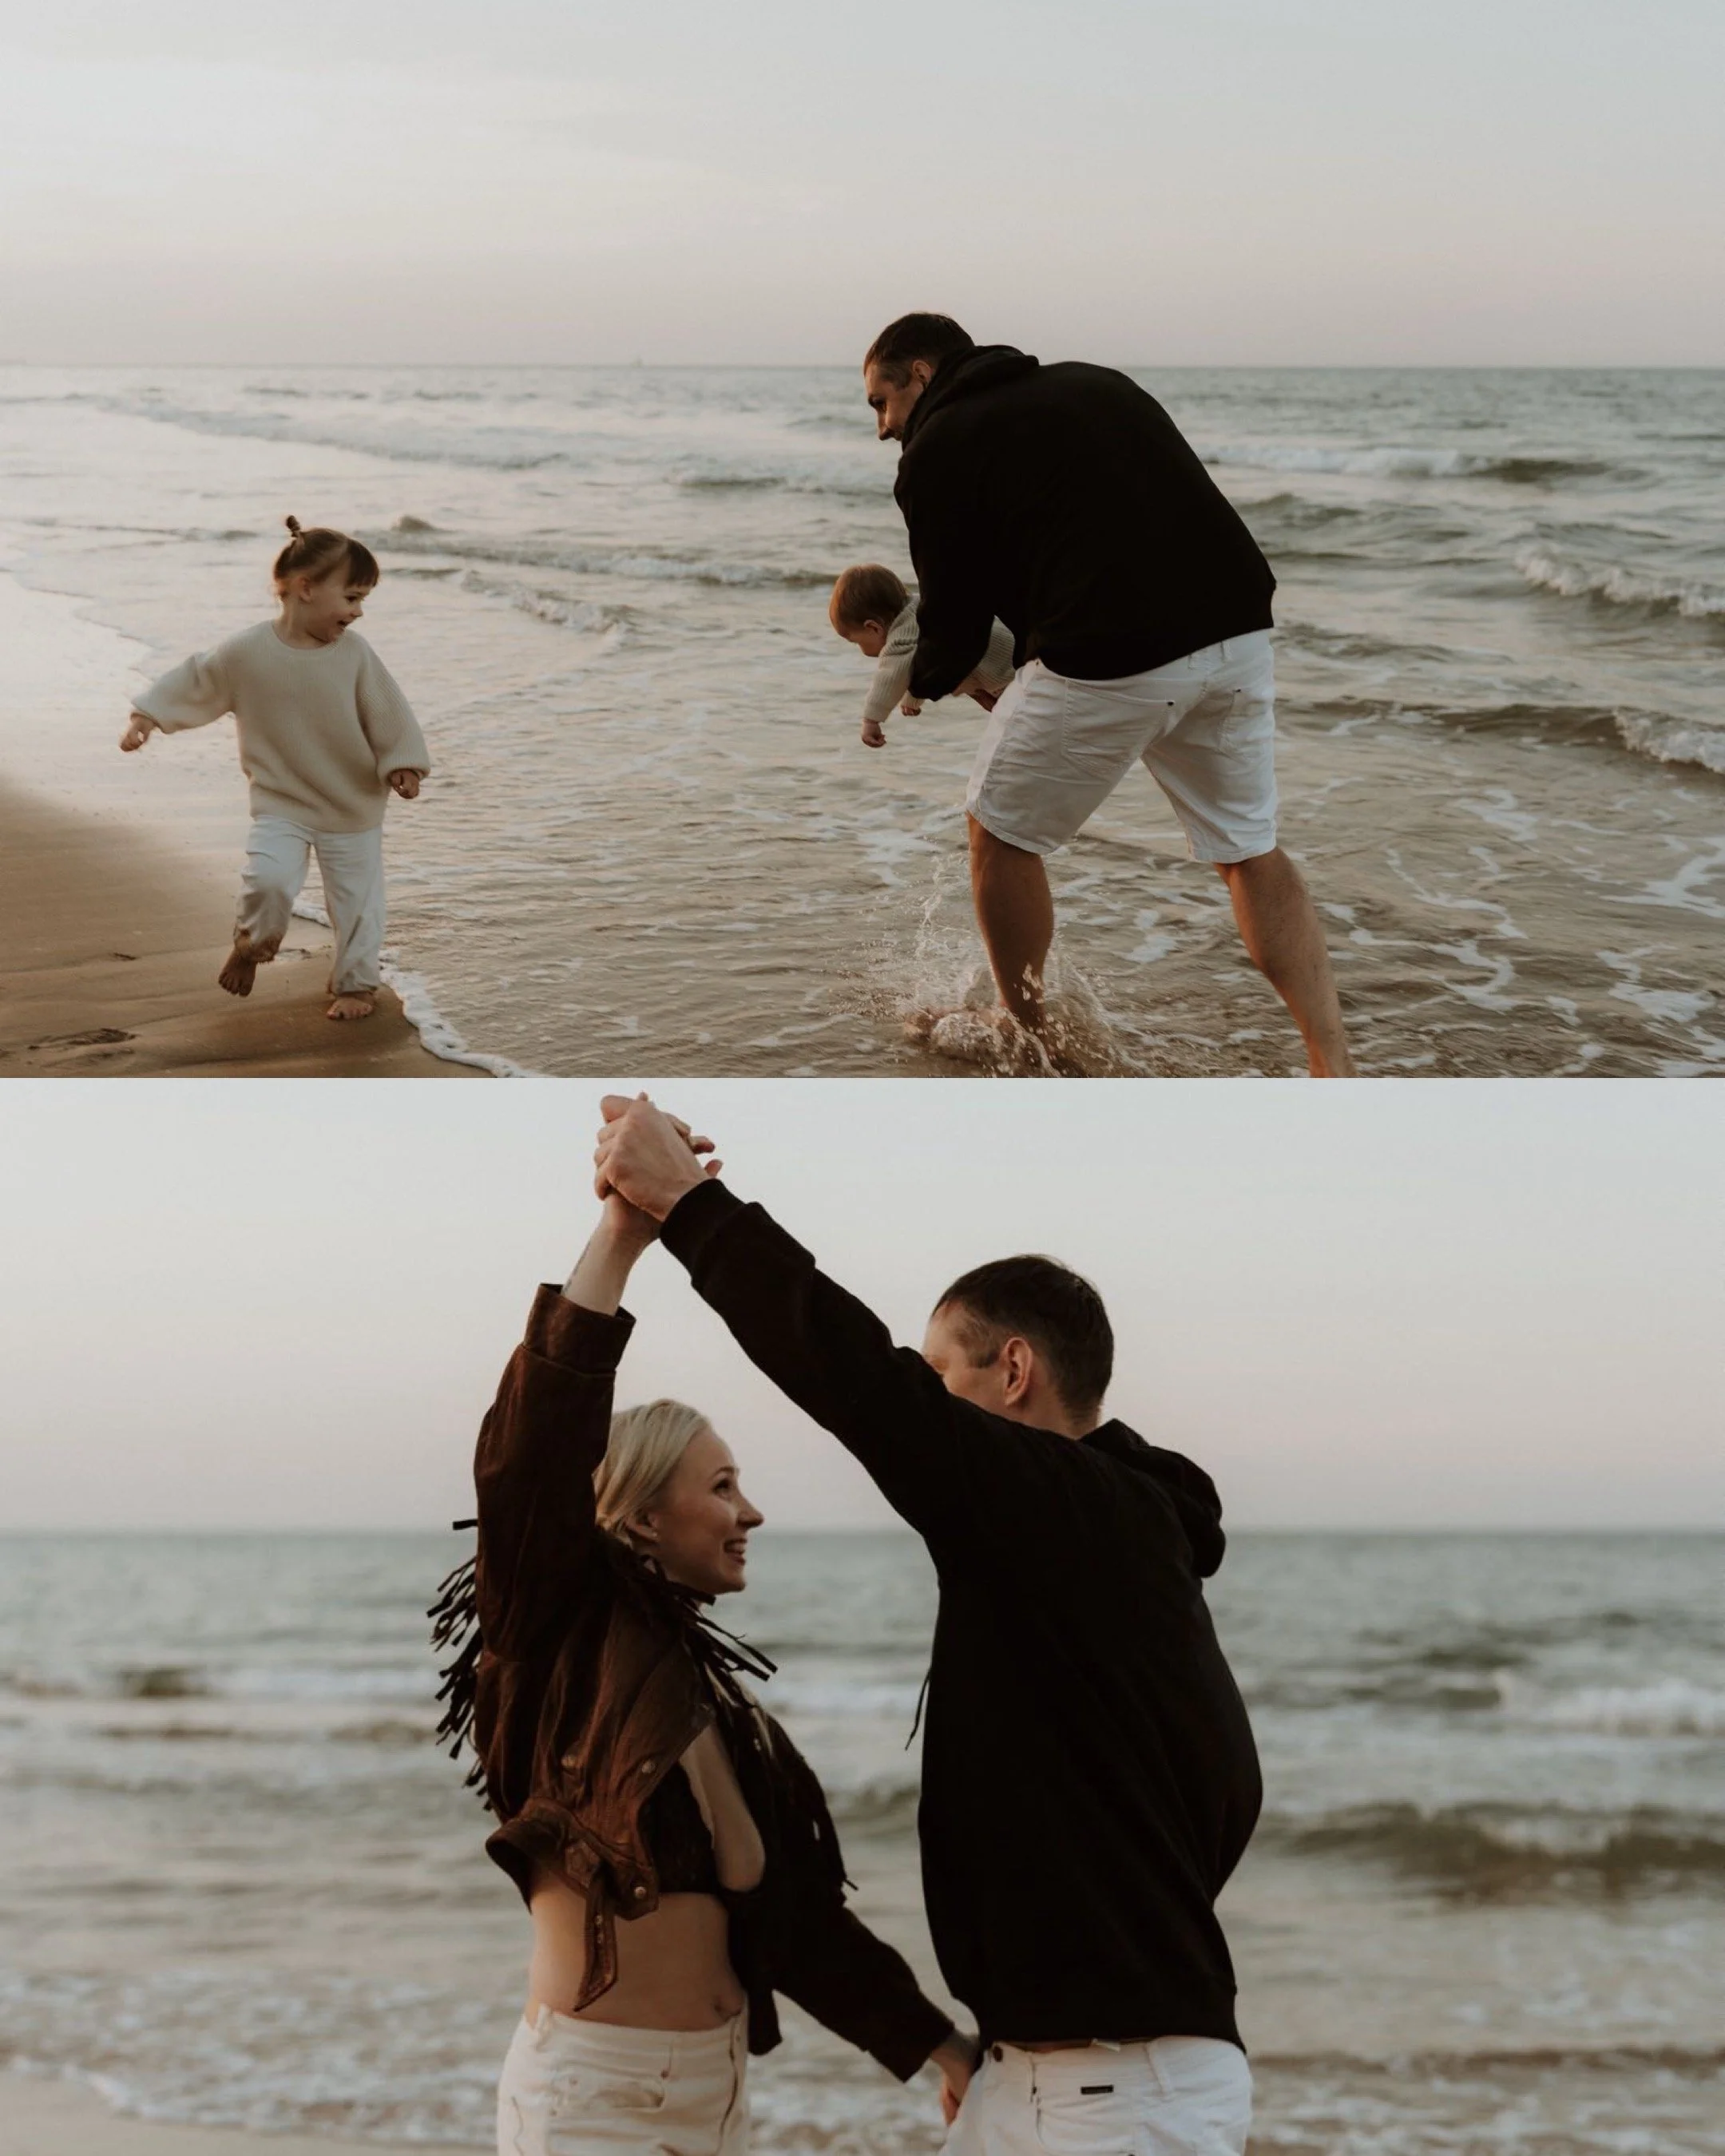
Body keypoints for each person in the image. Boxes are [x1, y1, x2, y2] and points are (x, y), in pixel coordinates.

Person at [593, 1093, 1263, 2156]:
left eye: (942, 1370)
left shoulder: (1088, 1516)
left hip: (1114, 2089)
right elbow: (1232, 1784)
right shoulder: (1102, 1546)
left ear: (1013, 1373)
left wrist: (689, 1206)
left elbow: (868, 1389)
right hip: (1053, 2073)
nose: (929, 1396)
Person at [430, 1163, 974, 2154]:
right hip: (594, 2096)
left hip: (714, 2097)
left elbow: (801, 1924)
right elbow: (529, 1457)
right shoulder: (554, 1633)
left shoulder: (725, 1714)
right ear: (640, 1516)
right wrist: (621, 1240)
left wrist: (942, 2049)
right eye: (722, 1486)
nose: (751, 1512)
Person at [863, 311, 1355, 1076]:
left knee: (999, 831)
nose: (883, 427)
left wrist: (921, 684)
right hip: (1237, 628)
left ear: (921, 375)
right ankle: (1332, 1059)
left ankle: (1028, 1036)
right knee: (1249, 849)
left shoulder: (935, 448)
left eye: (881, 403)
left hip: (1115, 651)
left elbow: (954, 622)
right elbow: (1108, 528)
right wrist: (1027, 663)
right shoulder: (1094, 383)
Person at [119, 516, 430, 1021]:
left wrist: (405, 764)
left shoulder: (355, 655)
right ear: (306, 589)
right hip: (281, 801)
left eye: (362, 600)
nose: (358, 612)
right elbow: (197, 680)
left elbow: (387, 709)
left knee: (359, 905)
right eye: (351, 598)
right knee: (268, 880)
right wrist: (146, 717)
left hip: (351, 804)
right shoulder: (247, 652)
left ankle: (355, 985)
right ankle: (251, 945)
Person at [829, 563, 1015, 749]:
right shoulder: (921, 609)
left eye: (856, 642)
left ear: (873, 627)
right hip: (1016, 666)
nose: (861, 650)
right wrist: (913, 699)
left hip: (1008, 681)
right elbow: (923, 664)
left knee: (1010, 748)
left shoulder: (902, 633)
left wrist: (871, 720)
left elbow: (892, 674)